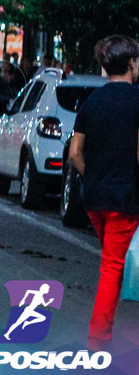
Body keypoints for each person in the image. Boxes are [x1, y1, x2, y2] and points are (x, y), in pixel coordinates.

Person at [67, 35, 139, 352]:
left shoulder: (91, 103)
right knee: (113, 267)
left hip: (95, 198)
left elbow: (74, 153)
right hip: (125, 198)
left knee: (114, 264)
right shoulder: (137, 101)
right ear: (132, 63)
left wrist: (93, 175)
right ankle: (98, 339)